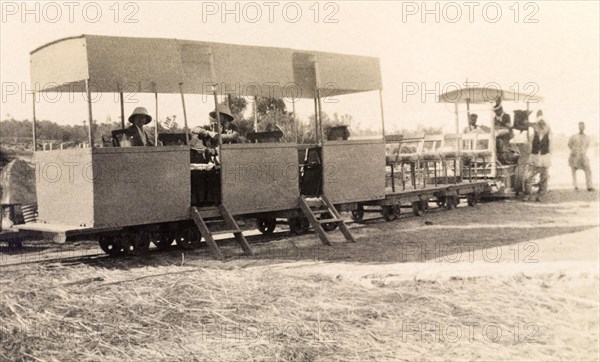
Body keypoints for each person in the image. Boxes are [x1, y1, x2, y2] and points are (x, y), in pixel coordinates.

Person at [524, 110, 552, 201]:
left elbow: (551, 146)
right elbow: (528, 124)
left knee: (543, 178)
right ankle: (528, 194)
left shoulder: (548, 133)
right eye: (539, 123)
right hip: (534, 156)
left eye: (542, 123)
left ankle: (541, 195)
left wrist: (549, 156)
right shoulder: (534, 133)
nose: (541, 125)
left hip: (544, 157)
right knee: (528, 176)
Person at [568, 122, 594, 191]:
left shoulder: (587, 137)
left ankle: (589, 186)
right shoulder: (574, 136)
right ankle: (575, 186)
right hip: (575, 155)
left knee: (588, 169)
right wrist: (574, 151)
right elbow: (569, 144)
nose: (581, 128)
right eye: (580, 126)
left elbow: (586, 146)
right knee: (573, 170)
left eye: (583, 126)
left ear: (584, 127)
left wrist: (582, 152)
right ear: (578, 127)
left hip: (583, 155)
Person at [492, 98, 513, 164]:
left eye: (497, 112)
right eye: (495, 112)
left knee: (503, 145)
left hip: (506, 135)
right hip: (497, 136)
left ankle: (505, 160)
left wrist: (500, 125)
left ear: (501, 110)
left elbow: (509, 127)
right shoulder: (494, 118)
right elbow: (494, 127)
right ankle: (497, 159)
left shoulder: (507, 116)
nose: (496, 113)